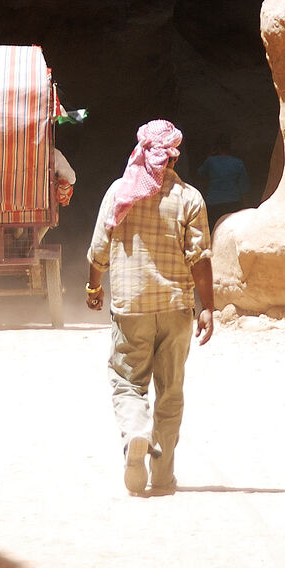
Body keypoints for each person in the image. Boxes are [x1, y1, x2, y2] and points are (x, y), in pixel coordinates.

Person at [85, 121, 213, 496]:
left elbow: (98, 249)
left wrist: (94, 286)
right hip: (175, 309)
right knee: (170, 391)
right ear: (174, 154)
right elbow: (200, 258)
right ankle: (162, 476)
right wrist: (208, 306)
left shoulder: (119, 194)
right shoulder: (190, 199)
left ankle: (136, 433)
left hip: (131, 308)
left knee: (127, 382)